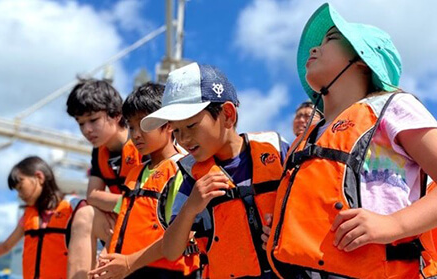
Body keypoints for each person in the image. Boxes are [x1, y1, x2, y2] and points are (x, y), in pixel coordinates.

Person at [266, 3, 437, 278]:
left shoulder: (393, 107)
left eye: (330, 40)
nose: (313, 49)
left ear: (362, 59)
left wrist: (394, 224)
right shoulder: (304, 141)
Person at [93, 62, 289, 279]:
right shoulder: (191, 177)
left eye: (191, 126)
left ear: (228, 114)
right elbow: (172, 249)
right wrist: (190, 207)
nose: (184, 139)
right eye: (176, 130)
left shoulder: (276, 150)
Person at [95, 82, 201, 278]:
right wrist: (104, 260)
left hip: (166, 273)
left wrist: (129, 262)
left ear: (168, 124)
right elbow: (121, 225)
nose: (135, 135)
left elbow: (184, 234)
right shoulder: (134, 173)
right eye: (131, 126)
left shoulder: (184, 170)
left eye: (144, 124)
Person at [65, 79, 149, 278]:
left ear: (116, 114)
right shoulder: (99, 153)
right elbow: (92, 196)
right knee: (85, 214)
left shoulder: (142, 142)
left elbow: (149, 202)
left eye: (93, 120)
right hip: (119, 222)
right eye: (81, 123)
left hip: (148, 225)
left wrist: (123, 208)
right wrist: (124, 206)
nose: (86, 130)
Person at [0, 156, 84, 279]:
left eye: (21, 187)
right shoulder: (28, 215)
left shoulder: (73, 207)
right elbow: (5, 247)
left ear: (39, 177)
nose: (20, 195)